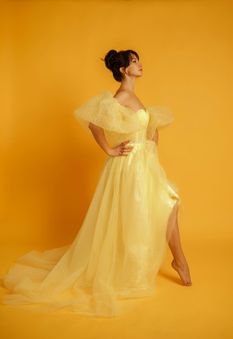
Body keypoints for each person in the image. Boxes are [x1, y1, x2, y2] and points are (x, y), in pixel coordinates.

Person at [1, 49, 192, 318]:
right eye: (134, 62)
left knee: (169, 203)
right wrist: (110, 150)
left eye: (138, 60)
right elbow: (94, 124)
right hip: (129, 166)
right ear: (124, 70)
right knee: (157, 208)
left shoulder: (134, 95)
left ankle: (178, 260)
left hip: (144, 163)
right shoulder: (121, 96)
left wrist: (151, 137)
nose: (140, 65)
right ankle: (178, 261)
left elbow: (142, 125)